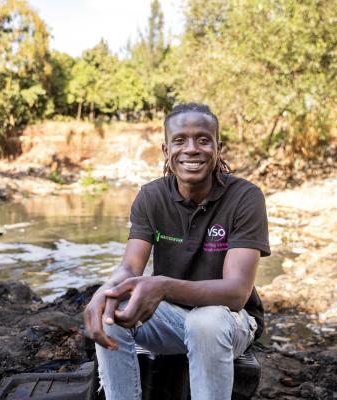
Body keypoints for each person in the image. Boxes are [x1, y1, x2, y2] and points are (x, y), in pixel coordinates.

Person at [83, 103, 270, 400]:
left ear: (218, 148)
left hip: (230, 321)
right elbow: (130, 268)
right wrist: (104, 292)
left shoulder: (245, 197)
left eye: (203, 139)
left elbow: (236, 293)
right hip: (172, 319)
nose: (192, 149)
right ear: (166, 150)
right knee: (112, 312)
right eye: (180, 140)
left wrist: (162, 286)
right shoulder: (151, 196)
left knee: (205, 322)